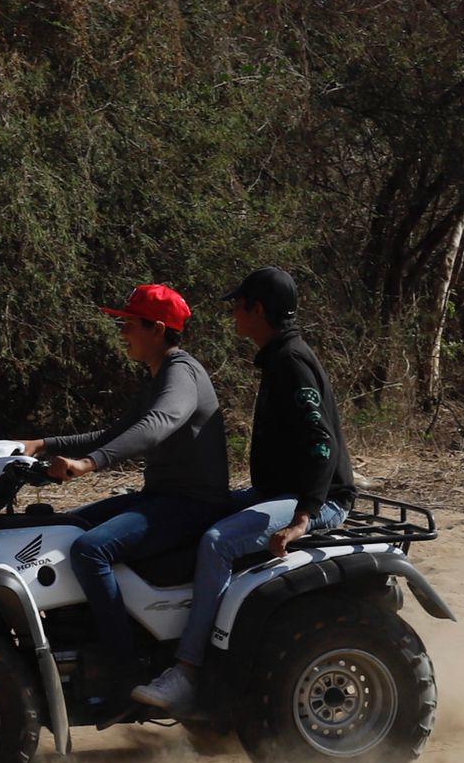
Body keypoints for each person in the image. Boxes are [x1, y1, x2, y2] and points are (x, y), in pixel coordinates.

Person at [132, 267, 356, 712]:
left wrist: (304, 517)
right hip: (281, 493)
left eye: (238, 305)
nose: (233, 313)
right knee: (201, 514)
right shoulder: (278, 356)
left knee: (217, 542)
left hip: (317, 500)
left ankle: (188, 672)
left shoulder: (291, 363)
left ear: (258, 309)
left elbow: (322, 443)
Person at [20, 284, 230, 699]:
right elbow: (113, 433)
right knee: (66, 526)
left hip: (192, 505)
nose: (122, 333)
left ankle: (123, 664)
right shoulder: (156, 376)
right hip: (163, 497)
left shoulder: (180, 372)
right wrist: (42, 445)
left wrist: (88, 464)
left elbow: (155, 426)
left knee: (89, 549)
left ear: (156, 328)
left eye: (128, 324)